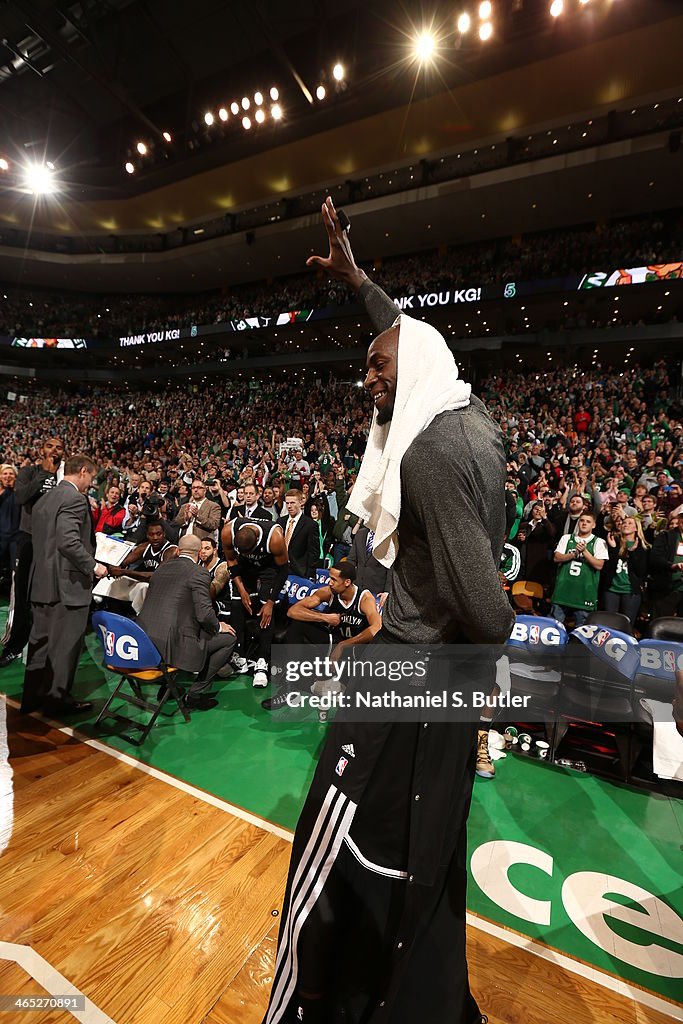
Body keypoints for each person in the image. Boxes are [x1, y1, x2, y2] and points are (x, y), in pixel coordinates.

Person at [263, 197, 513, 1024]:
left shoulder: (432, 454)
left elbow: (489, 612)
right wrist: (362, 281)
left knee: (323, 859)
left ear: (410, 375)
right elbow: (410, 340)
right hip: (439, 695)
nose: (364, 379)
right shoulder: (461, 412)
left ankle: (308, 1005)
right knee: (425, 862)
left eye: (375, 371)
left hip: (405, 686)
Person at [22, 454, 108, 715]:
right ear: (82, 471)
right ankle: (57, 700)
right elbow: (68, 541)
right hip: (66, 586)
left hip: (41, 583)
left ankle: (33, 698)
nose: (90, 484)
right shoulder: (74, 498)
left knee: (40, 643)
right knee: (65, 646)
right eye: (91, 478)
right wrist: (94, 566)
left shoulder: (44, 498)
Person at [263, 561, 381, 711]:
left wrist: (344, 645)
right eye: (329, 578)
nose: (329, 582)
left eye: (334, 579)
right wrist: (325, 618)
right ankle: (289, 688)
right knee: (297, 626)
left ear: (347, 582)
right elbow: (293, 611)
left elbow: (376, 628)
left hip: (354, 650)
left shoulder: (364, 598)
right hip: (332, 643)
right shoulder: (328, 593)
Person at [136, 534, 236, 711]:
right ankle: (195, 694)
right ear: (198, 553)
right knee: (228, 639)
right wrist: (219, 626)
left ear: (177, 551)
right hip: (171, 644)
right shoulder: (199, 573)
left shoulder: (161, 569)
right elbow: (205, 615)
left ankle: (169, 685)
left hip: (144, 639)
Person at [0, 436, 64, 669]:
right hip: (28, 539)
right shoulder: (28, 472)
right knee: (22, 595)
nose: (54, 450)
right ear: (41, 450)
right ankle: (14, 646)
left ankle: (46, 647)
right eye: (49, 446)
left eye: (59, 447)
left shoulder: (65, 478)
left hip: (55, 541)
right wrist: (45, 473)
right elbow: (22, 497)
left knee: (50, 596)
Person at [221, 515, 289, 687]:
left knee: (265, 612)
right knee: (236, 603)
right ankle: (239, 657)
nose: (247, 554)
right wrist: (242, 588)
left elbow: (283, 570)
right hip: (243, 567)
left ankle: (262, 662)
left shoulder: (274, 538)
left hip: (269, 568)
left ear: (257, 540)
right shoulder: (228, 531)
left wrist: (271, 602)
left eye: (248, 551)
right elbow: (231, 560)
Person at [551, 511, 608, 626]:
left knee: (581, 632)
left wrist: (585, 552)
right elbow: (556, 558)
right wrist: (574, 554)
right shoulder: (566, 538)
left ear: (594, 525)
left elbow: (599, 565)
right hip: (563, 591)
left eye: (588, 521)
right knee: (555, 627)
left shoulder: (599, 542)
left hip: (585, 593)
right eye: (582, 520)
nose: (584, 523)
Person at [599, 516, 649, 625]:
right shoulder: (613, 542)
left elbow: (640, 571)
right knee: (608, 624)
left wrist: (633, 552)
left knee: (626, 625)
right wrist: (613, 549)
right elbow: (606, 568)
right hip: (611, 589)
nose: (625, 525)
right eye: (624, 523)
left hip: (630, 591)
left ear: (636, 528)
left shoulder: (642, 547)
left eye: (630, 523)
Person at [107, 522, 178, 583]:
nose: (155, 538)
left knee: (142, 587)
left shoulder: (171, 550)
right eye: (151, 534)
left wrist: (124, 572)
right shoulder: (144, 546)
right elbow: (122, 563)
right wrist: (114, 568)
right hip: (144, 581)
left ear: (164, 534)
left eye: (158, 534)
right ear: (147, 535)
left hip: (162, 585)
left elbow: (156, 576)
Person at [279, 489, 319, 579]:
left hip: (299, 572)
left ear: (301, 502)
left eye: (292, 503)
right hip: (280, 570)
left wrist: (309, 575)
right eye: (287, 503)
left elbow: (313, 553)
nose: (289, 506)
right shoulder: (280, 521)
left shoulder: (310, 525)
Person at [649, 512, 683, 618]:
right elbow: (655, 558)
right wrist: (671, 566)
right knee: (661, 622)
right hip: (667, 589)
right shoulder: (666, 536)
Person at [0, 464, 20, 588]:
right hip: (1, 536)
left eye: (11, 473)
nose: (8, 476)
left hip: (16, 537)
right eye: (5, 474)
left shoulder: (20, 493)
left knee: (16, 571)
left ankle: (14, 604)